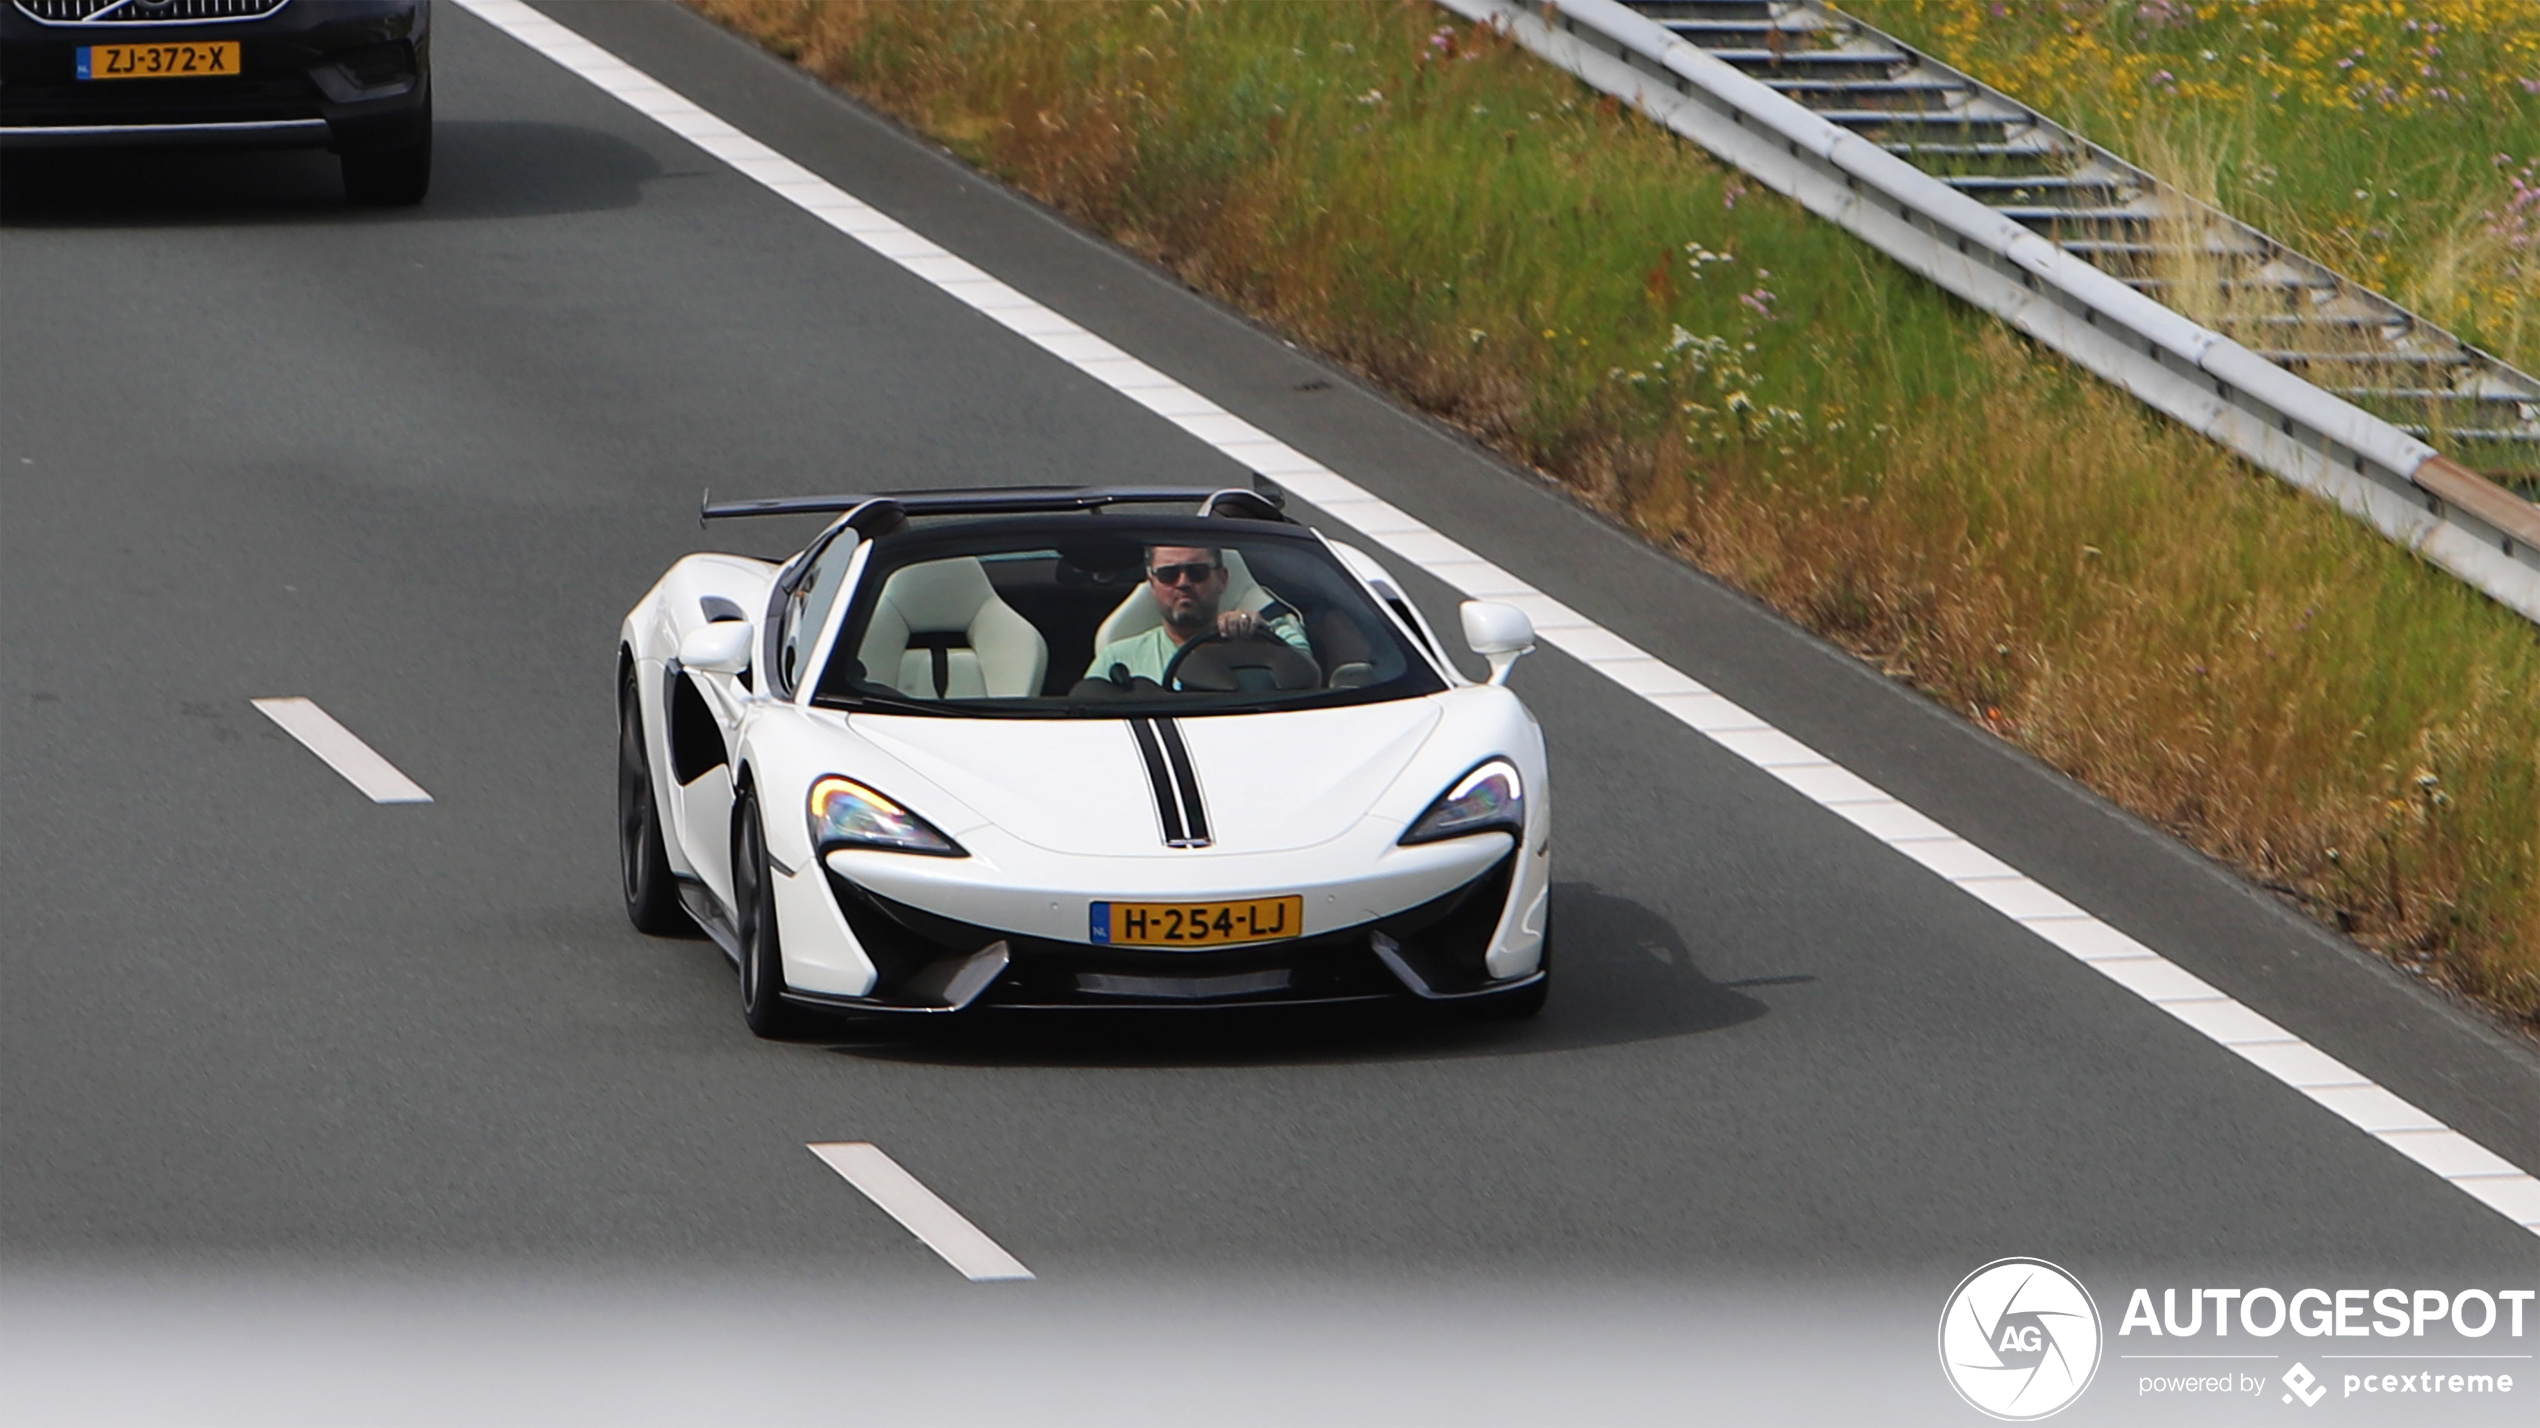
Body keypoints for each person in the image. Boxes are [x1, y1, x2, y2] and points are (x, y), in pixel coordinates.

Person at [1085, 544, 1311, 685]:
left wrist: (1258, 639)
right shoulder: (1117, 658)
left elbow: (1309, 680)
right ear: (1152, 584)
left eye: (1197, 572)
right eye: (1168, 574)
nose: (1183, 583)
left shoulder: (1274, 635)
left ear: (1222, 579)